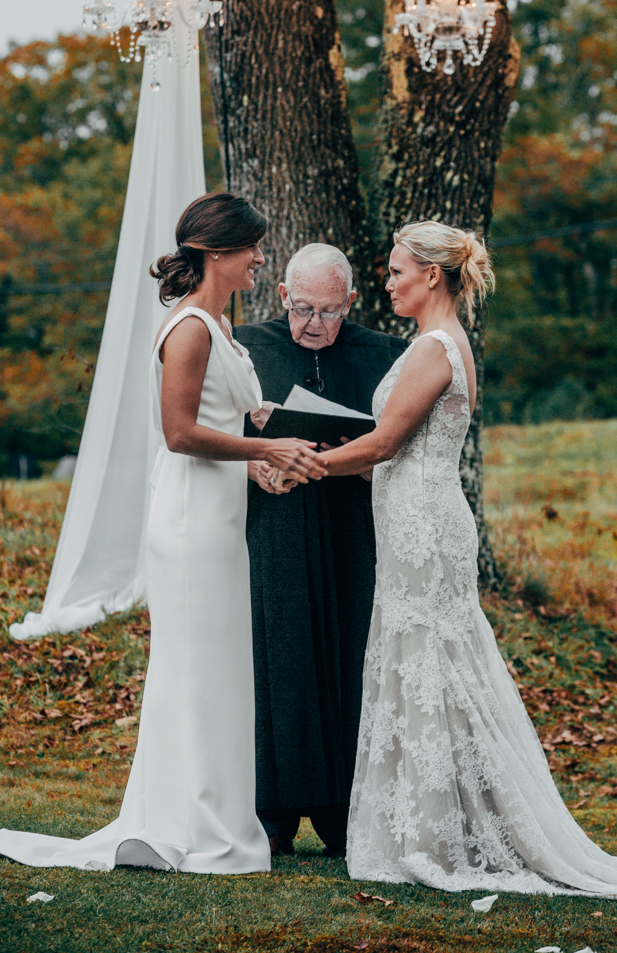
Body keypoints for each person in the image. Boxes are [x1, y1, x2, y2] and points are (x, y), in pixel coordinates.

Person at [316, 220, 617, 900]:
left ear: (433, 275)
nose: (387, 282)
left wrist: (305, 463)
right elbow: (394, 452)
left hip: (423, 526)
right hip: (412, 518)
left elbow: (384, 445)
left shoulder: (435, 347)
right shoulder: (435, 345)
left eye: (395, 271)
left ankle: (441, 832)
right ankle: (435, 821)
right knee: (424, 663)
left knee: (431, 663)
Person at [0, 193, 326, 873]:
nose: (262, 259)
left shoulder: (219, 327)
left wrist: (261, 464)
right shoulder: (192, 328)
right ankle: (189, 823)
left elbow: (221, 428)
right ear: (220, 253)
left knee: (218, 675)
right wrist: (267, 450)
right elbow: (178, 434)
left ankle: (212, 816)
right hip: (190, 524)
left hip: (220, 518)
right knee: (195, 673)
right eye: (254, 248)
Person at [236, 244, 407, 857]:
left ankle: (345, 811)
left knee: (352, 656)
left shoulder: (385, 355)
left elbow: (405, 446)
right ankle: (273, 814)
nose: (314, 323)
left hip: (350, 531)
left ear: (351, 304)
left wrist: (365, 467)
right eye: (303, 308)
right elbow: (206, 437)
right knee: (277, 659)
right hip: (273, 529)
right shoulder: (244, 349)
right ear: (282, 296)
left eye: (330, 311)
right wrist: (250, 467)